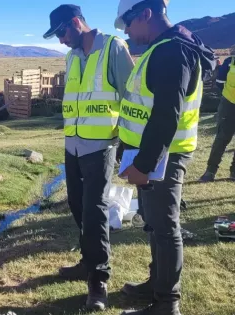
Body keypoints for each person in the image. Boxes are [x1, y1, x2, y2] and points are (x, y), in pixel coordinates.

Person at [114, 0, 215, 314]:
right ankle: (156, 284)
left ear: (145, 14)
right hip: (151, 155)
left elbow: (166, 116)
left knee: (165, 227)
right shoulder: (162, 48)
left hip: (163, 158)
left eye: (128, 23)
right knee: (154, 225)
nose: (127, 31)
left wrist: (144, 165)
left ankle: (167, 303)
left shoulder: (172, 51)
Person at [43, 4, 134, 311]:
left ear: (77, 23)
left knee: (94, 213)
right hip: (73, 146)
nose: (60, 40)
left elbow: (132, 98)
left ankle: (99, 281)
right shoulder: (71, 57)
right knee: (77, 204)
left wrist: (129, 146)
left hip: (101, 147)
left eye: (62, 32)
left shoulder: (113, 47)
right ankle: (87, 262)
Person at [199, 45, 235, 182]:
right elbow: (220, 83)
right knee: (222, 138)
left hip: (228, 102)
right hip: (228, 104)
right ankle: (210, 171)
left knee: (222, 138)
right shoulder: (229, 62)